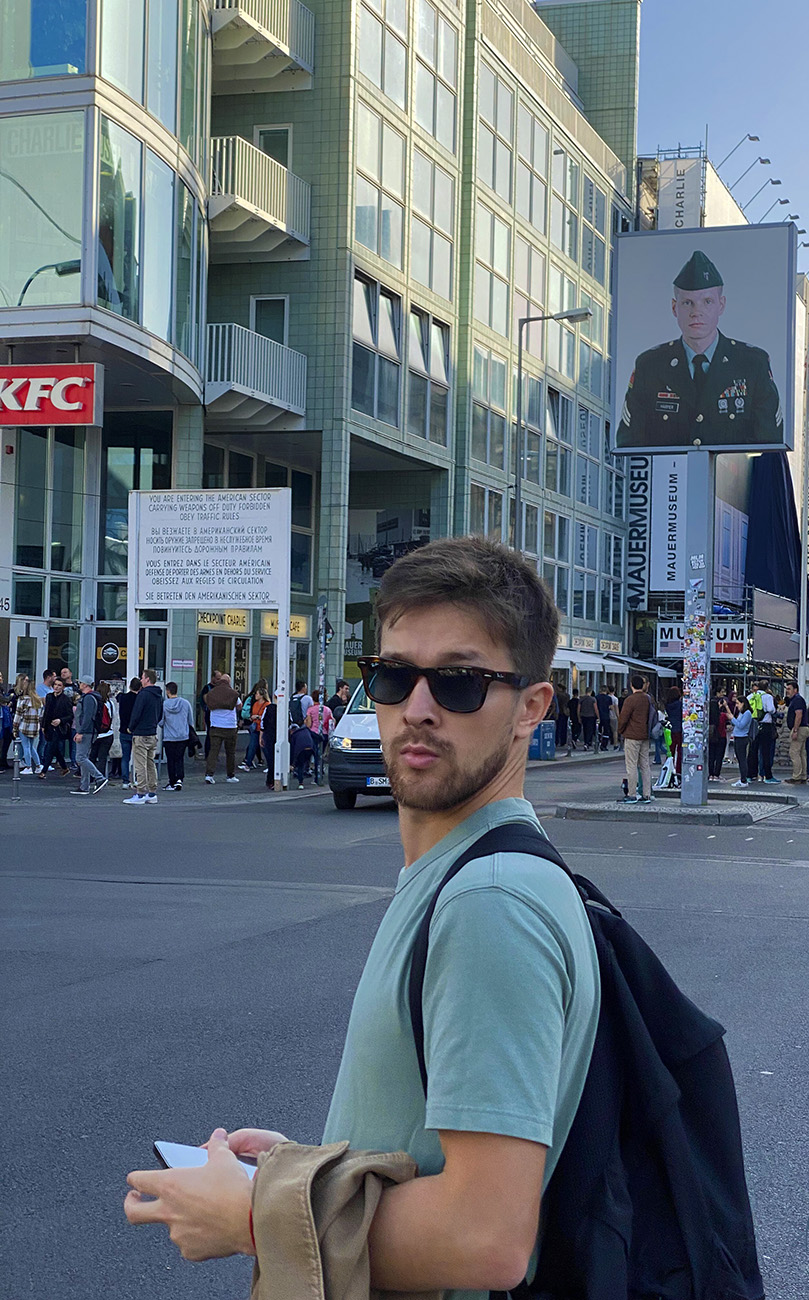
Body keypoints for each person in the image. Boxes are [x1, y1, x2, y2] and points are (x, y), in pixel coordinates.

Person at [124, 536, 600, 1286]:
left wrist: (252, 1218)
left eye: (460, 683)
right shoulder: (464, 872)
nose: (416, 709)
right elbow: (426, 1150)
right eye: (391, 676)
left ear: (529, 708)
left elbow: (486, 1237)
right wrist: (298, 1176)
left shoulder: (489, 902)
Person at [616, 249, 782, 450]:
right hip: (669, 480)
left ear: (721, 305)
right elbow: (629, 447)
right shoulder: (650, 366)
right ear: (674, 308)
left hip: (732, 481)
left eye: (707, 302)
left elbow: (769, 446)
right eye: (688, 303)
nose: (697, 312)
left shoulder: (752, 364)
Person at [125, 669, 164, 805]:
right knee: (150, 763)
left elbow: (136, 713)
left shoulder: (143, 695)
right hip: (152, 732)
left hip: (141, 733)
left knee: (140, 764)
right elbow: (160, 714)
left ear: (147, 679)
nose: (141, 680)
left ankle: (140, 793)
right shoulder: (159, 695)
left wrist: (131, 727)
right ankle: (152, 791)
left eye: (142, 677)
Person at [617, 674, 656, 803]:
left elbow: (623, 718)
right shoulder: (648, 699)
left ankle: (632, 794)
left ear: (632, 685)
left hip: (632, 735)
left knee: (632, 765)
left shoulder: (630, 700)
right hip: (645, 735)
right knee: (645, 765)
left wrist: (620, 731)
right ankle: (647, 794)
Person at [72, 676, 109, 795]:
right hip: (89, 731)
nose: (79, 684)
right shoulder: (92, 697)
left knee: (80, 757)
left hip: (87, 731)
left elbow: (87, 717)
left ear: (85, 685)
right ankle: (84, 786)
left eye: (81, 683)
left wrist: (80, 732)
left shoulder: (88, 698)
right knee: (84, 757)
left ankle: (99, 778)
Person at [203, 674, 241, 784]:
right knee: (230, 753)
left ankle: (209, 775)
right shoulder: (233, 693)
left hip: (215, 726)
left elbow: (207, 702)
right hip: (230, 726)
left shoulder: (211, 693)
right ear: (228, 682)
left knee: (213, 752)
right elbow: (239, 707)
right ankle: (230, 775)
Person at [37, 678, 72, 778]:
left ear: (63, 687)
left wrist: (60, 720)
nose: (56, 687)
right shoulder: (49, 696)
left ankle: (43, 771)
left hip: (59, 728)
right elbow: (46, 712)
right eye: (55, 685)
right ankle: (64, 767)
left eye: (59, 685)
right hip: (49, 725)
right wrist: (43, 726)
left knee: (50, 747)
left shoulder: (66, 699)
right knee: (54, 748)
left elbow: (70, 716)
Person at [161, 683, 193, 791]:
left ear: (168, 691)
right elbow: (190, 720)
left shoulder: (164, 705)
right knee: (179, 758)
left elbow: (161, 722)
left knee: (171, 760)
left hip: (169, 737)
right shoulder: (186, 703)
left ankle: (172, 781)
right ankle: (180, 779)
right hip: (183, 736)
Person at [13, 680, 44, 773]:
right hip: (35, 727)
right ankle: (38, 765)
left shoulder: (23, 700)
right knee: (31, 746)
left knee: (25, 746)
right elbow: (41, 715)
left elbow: (17, 716)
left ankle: (28, 766)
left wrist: (15, 727)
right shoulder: (38, 700)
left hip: (25, 726)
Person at [239, 679, 269, 772]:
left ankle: (270, 764)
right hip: (255, 726)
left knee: (264, 747)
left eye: (257, 694)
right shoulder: (255, 704)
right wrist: (252, 717)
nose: (255, 695)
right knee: (253, 745)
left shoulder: (267, 704)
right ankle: (248, 763)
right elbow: (252, 713)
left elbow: (266, 716)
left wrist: (258, 717)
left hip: (263, 728)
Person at [304, 690, 333, 784]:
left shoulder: (310, 710)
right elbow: (332, 722)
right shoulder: (327, 709)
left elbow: (308, 724)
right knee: (320, 755)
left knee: (315, 754)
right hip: (324, 734)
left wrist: (305, 721)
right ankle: (320, 773)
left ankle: (315, 774)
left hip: (313, 733)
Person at [89, 682, 116, 779]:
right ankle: (100, 777)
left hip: (97, 733)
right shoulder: (111, 704)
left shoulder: (95, 702)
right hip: (108, 733)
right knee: (102, 758)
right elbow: (113, 717)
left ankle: (91, 776)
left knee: (92, 756)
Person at [784, 682, 808, 784]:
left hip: (799, 728)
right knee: (801, 753)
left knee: (794, 752)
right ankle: (803, 775)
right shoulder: (797, 700)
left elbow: (799, 715)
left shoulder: (797, 700)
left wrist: (795, 730)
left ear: (795, 690)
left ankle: (796, 776)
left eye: (789, 689)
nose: (787, 691)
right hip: (803, 728)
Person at [730, 699, 754, 787]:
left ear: (743, 703)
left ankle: (744, 779)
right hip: (738, 736)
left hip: (742, 737)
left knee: (742, 759)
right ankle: (742, 778)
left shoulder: (747, 713)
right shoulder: (742, 713)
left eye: (738, 703)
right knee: (740, 759)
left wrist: (732, 719)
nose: (736, 705)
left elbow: (741, 725)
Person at [707, 696, 730, 780]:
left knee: (711, 757)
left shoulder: (708, 717)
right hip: (721, 737)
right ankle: (717, 774)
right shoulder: (722, 716)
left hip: (711, 738)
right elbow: (730, 716)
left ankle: (711, 774)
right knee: (719, 757)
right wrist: (725, 706)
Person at [664, 685, 683, 779]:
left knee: (670, 751)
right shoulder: (680, 704)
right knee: (680, 750)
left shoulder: (667, 705)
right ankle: (679, 770)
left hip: (669, 730)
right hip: (679, 729)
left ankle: (669, 768)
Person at [289, 721, 315, 789]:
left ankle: (301, 783)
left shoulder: (294, 736)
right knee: (309, 761)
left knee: (300, 765)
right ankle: (316, 778)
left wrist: (292, 763)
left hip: (301, 750)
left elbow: (292, 750)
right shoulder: (306, 730)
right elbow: (315, 736)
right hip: (310, 748)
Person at [595, 684, 613, 751]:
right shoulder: (609, 698)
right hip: (606, 716)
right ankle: (604, 745)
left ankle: (598, 742)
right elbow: (611, 707)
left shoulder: (597, 697)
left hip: (598, 716)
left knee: (598, 730)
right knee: (606, 731)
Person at [553, 681, 570, 748]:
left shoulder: (558, 695)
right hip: (565, 712)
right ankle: (563, 741)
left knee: (558, 727)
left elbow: (556, 703)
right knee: (564, 727)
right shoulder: (567, 695)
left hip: (559, 712)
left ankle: (557, 741)